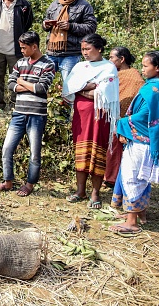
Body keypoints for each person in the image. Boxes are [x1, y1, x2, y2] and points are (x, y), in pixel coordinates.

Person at [0, 32, 56, 196]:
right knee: (7, 148)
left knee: (34, 152)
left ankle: (29, 184)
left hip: (37, 115)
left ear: (35, 46)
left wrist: (21, 81)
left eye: (24, 47)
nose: (21, 51)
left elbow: (41, 88)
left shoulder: (48, 64)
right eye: (20, 47)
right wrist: (27, 84)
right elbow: (11, 85)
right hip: (18, 113)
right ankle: (8, 181)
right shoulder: (20, 63)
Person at [62, 33, 119, 209]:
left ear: (99, 48)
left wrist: (81, 89)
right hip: (81, 115)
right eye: (82, 49)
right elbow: (69, 88)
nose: (84, 52)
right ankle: (80, 191)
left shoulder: (109, 68)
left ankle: (95, 192)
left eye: (88, 49)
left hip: (99, 117)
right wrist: (89, 86)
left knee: (97, 150)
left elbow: (102, 93)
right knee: (81, 149)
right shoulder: (80, 66)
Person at [109, 51, 159, 236]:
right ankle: (140, 215)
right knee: (142, 177)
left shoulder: (152, 90)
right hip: (148, 142)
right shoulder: (153, 87)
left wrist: (122, 123)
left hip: (141, 141)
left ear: (157, 68)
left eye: (146, 66)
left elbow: (145, 117)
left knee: (132, 177)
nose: (143, 69)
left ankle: (132, 223)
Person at [0, 0, 34, 110]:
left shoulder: (24, 5)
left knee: (16, 77)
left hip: (15, 49)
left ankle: (15, 104)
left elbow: (27, 24)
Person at [104, 47, 145, 187]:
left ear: (122, 59)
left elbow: (134, 99)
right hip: (109, 117)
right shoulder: (112, 74)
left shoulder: (134, 77)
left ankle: (113, 179)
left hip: (125, 120)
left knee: (117, 149)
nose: (109, 60)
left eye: (111, 57)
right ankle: (108, 176)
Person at [43, 0, 97, 80]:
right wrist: (46, 25)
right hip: (51, 52)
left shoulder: (84, 6)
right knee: (44, 83)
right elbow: (46, 20)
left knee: (69, 86)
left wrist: (70, 26)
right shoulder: (54, 4)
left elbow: (91, 27)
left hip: (71, 53)